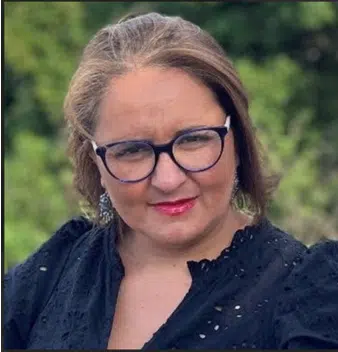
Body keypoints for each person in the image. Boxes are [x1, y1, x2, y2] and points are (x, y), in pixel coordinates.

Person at [4, 12, 338, 350]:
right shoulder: (51, 272)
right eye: (132, 150)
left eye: (193, 140)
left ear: (236, 139)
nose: (167, 179)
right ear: (96, 163)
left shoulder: (311, 297)